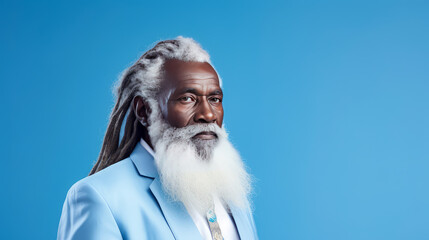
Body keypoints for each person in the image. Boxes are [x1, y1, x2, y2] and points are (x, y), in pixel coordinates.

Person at [57, 37, 258, 240]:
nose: (208, 114)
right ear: (144, 111)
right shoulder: (100, 197)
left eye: (214, 99)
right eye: (187, 99)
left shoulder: (231, 190)